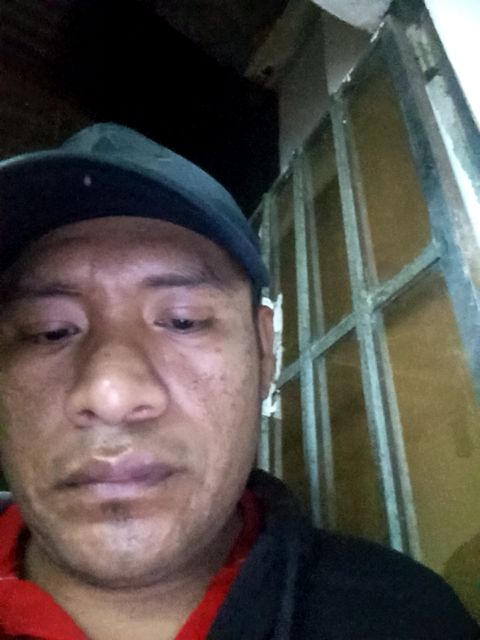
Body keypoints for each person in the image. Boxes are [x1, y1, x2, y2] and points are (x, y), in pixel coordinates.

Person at [0, 123, 477, 640]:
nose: (111, 393)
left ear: (265, 352)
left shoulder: (407, 619)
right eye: (49, 331)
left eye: (183, 321)